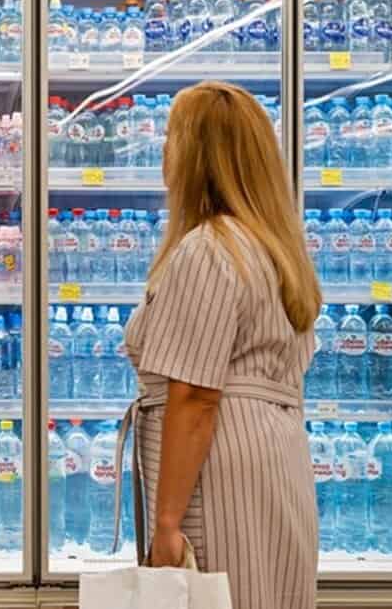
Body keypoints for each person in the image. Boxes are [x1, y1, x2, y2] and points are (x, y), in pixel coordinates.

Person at [121, 81, 321, 609]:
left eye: (171, 138)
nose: (164, 152)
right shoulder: (275, 249)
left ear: (197, 157)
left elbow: (195, 397)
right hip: (275, 457)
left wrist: (167, 523)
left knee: (212, 593)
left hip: (218, 470)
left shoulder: (209, 248)